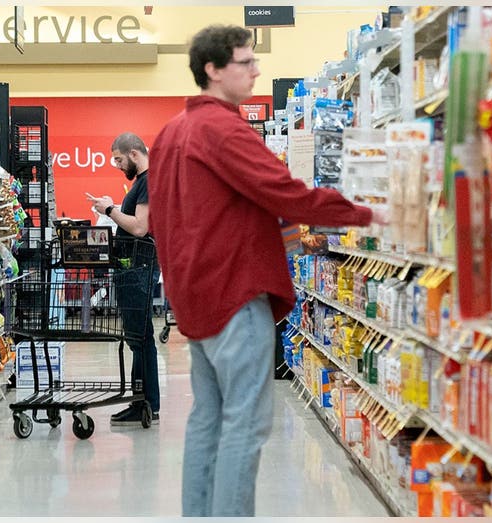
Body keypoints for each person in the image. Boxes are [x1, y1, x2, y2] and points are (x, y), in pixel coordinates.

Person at [149, 25, 387, 516]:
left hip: (196, 297)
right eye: (245, 61)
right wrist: (366, 212)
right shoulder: (223, 129)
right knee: (246, 424)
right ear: (214, 70)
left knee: (207, 419)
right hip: (235, 294)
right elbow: (285, 193)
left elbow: (167, 218)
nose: (257, 70)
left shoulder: (172, 132)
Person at [87, 132, 160, 426]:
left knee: (139, 338)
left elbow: (141, 227)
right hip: (136, 268)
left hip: (139, 270)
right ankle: (142, 401)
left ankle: (145, 402)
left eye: (118, 158)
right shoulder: (144, 183)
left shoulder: (149, 181)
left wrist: (109, 209)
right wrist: (113, 207)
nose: (116, 164)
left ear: (133, 153)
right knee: (139, 338)